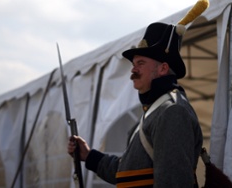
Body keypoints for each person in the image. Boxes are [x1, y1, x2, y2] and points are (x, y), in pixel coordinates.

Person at [68, 22, 203, 187]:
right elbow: (128, 172)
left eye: (140, 63)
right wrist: (89, 156)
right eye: (133, 64)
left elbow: (173, 182)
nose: (133, 70)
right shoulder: (156, 111)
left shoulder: (172, 111)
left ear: (163, 68)